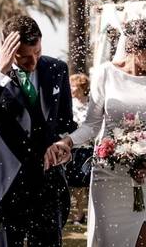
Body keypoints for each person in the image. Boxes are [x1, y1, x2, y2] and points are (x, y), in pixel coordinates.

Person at [55, 18, 146, 247]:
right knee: (108, 240)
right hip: (108, 175)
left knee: (145, 239)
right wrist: (69, 141)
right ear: (133, 48)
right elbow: (92, 125)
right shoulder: (105, 73)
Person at [0, 15, 77, 246]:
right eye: (24, 57)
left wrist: (64, 144)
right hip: (8, 184)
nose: (33, 62)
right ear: (7, 48)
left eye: (37, 52)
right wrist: (2, 71)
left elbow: (66, 123)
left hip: (48, 182)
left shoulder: (57, 69)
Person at [65, 73, 92, 226]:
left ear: (82, 87)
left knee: (89, 183)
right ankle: (79, 213)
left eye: (73, 85)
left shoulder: (90, 105)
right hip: (74, 149)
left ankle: (90, 213)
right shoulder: (69, 105)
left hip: (89, 148)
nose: (71, 89)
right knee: (76, 184)